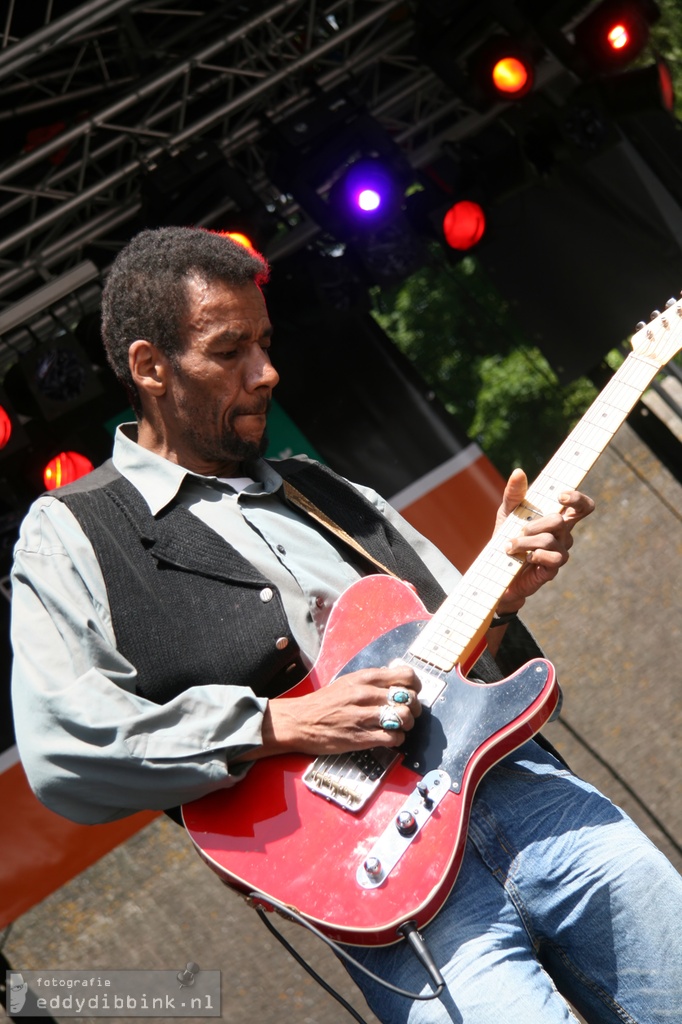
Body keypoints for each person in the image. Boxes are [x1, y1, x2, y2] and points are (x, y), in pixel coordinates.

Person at [10, 226, 682, 1024]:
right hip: (384, 885)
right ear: (151, 366)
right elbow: (66, 750)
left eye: (265, 342)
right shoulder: (72, 531)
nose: (267, 371)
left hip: (531, 801)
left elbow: (455, 659)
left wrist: (504, 595)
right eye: (231, 352)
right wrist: (282, 722)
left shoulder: (323, 490)